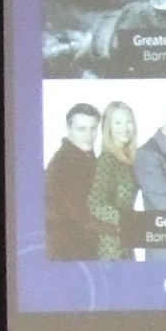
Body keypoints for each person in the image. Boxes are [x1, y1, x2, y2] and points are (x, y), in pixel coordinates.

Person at [44, 103, 101, 260]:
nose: (88, 135)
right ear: (68, 129)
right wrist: (124, 229)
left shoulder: (85, 157)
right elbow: (82, 215)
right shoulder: (64, 165)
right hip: (69, 254)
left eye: (93, 129)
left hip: (81, 250)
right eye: (81, 129)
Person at [87, 100, 141, 259]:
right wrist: (126, 220)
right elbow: (95, 204)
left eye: (129, 122)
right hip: (110, 247)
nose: (124, 128)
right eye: (117, 123)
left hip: (125, 241)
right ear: (108, 127)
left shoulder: (130, 159)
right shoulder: (107, 160)